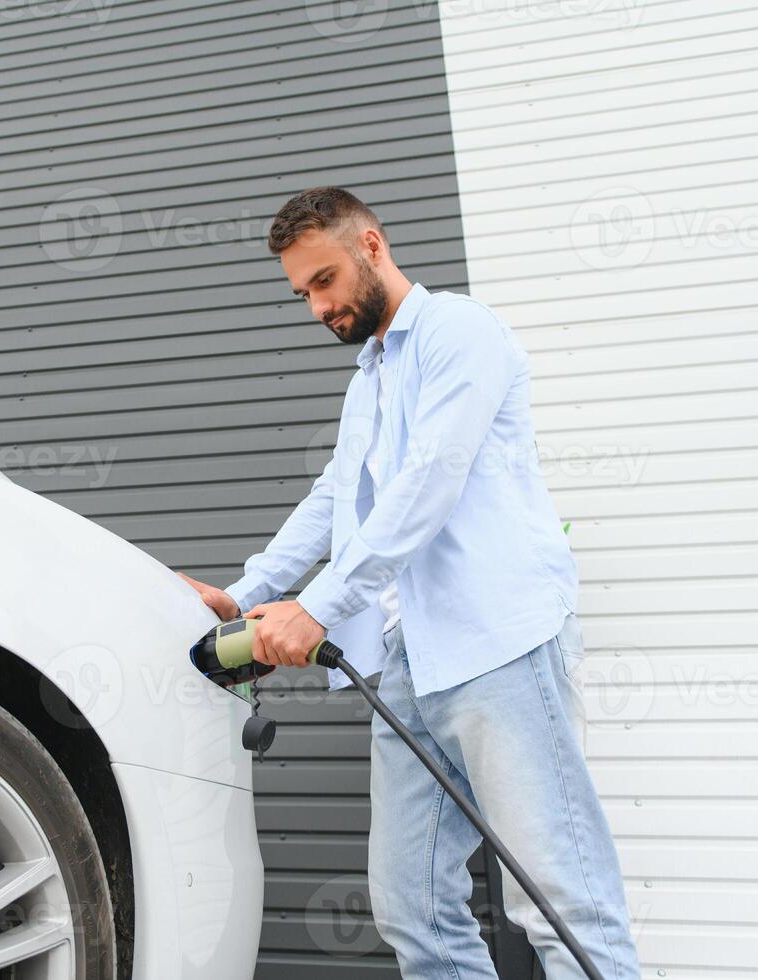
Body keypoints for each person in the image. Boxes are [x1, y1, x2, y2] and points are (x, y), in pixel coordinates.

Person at [178, 187, 640, 979]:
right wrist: (247, 589)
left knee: (563, 905)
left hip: (499, 649)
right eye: (302, 294)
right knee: (412, 909)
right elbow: (335, 496)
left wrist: (318, 607)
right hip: (408, 663)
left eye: (323, 281)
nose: (316, 306)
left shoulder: (459, 331)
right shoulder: (370, 377)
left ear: (371, 246)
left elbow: (431, 479)